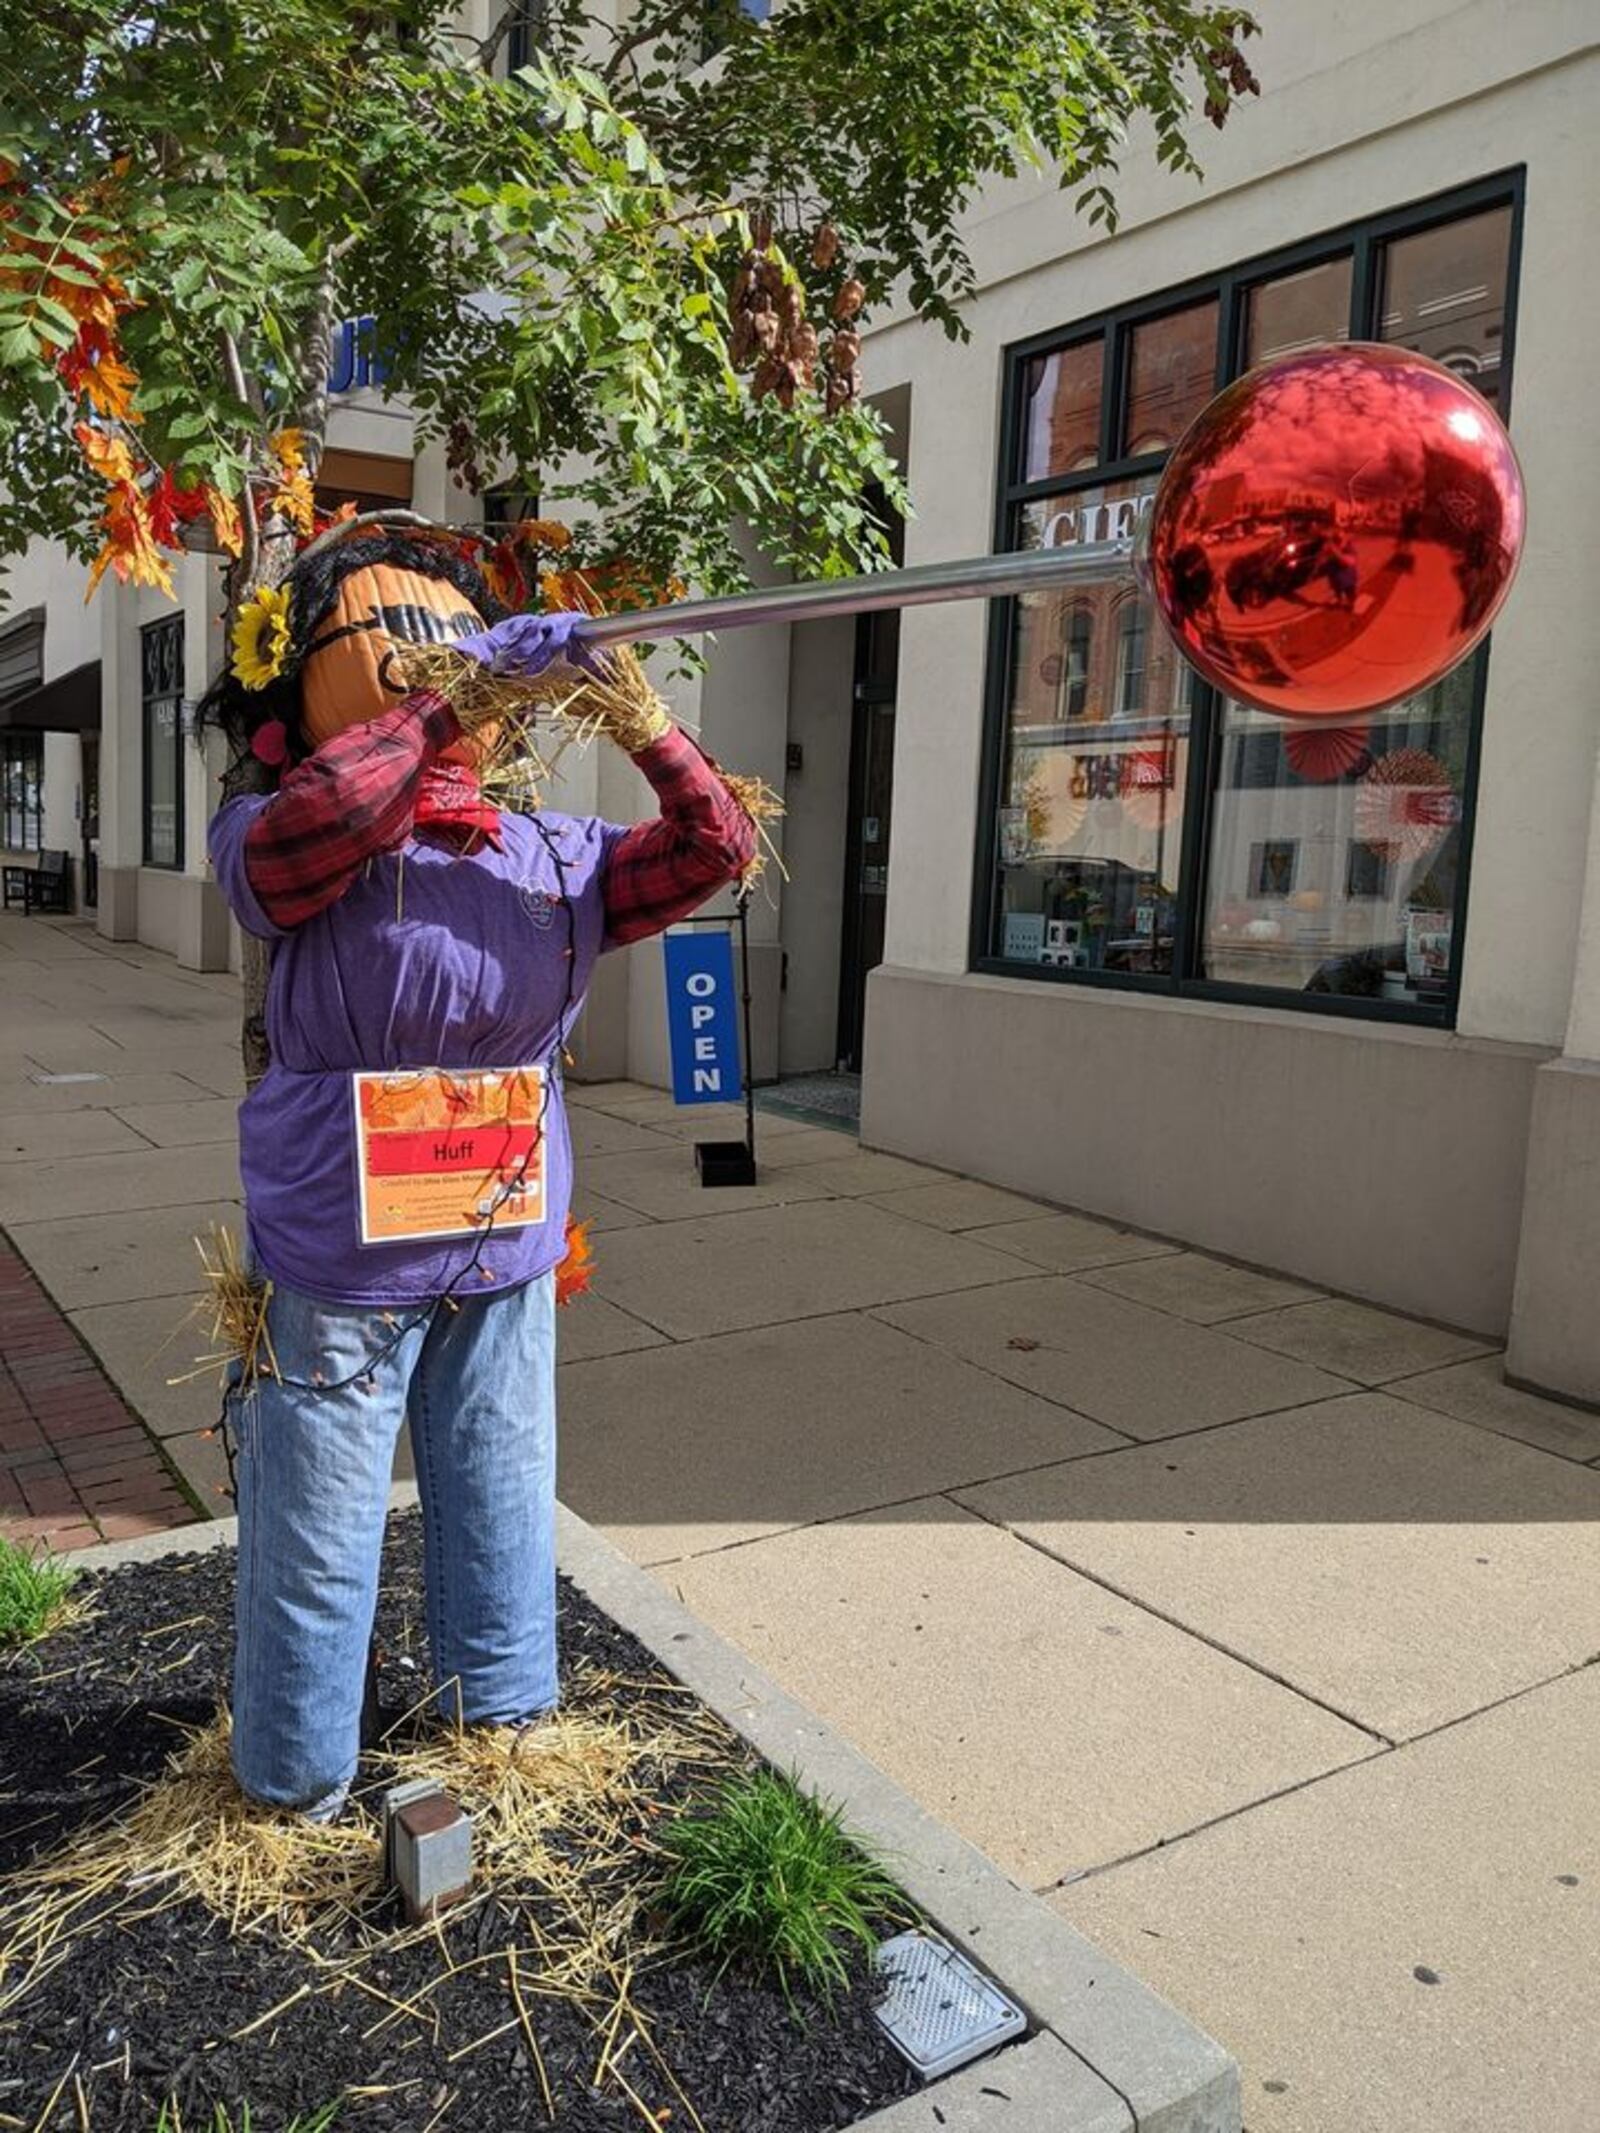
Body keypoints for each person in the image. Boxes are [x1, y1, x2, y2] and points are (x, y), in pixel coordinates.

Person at [201, 521, 754, 1819]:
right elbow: (322, 823)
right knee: (323, 1533)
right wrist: (467, 690)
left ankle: (497, 1723)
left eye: (469, 646)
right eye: (407, 639)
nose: (442, 666)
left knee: (501, 1499)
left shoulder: (554, 856)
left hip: (502, 1246)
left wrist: (639, 720)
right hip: (337, 1258)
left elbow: (719, 845)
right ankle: (293, 1783)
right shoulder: (271, 831)